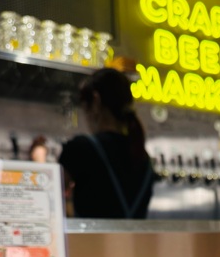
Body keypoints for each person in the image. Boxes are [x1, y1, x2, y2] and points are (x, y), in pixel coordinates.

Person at [59, 68, 154, 219]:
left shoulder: (81, 148)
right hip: (133, 236)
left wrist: (39, 156)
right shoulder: (143, 158)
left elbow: (50, 195)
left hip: (91, 236)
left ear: (96, 101)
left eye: (85, 109)